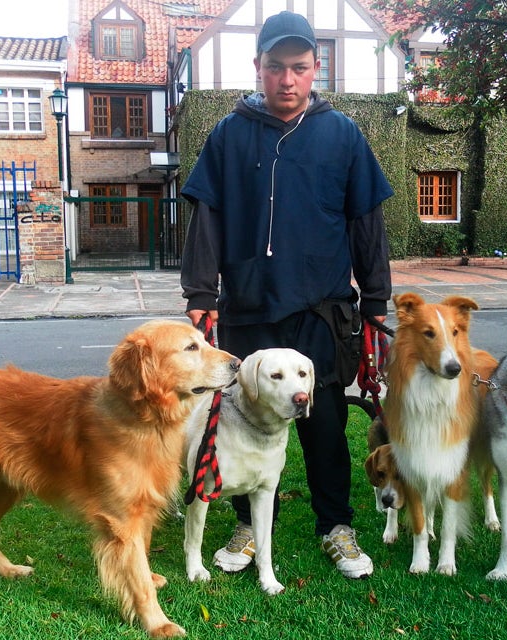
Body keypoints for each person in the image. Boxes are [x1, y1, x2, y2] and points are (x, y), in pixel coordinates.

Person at [179, 10, 393, 580]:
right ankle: (249, 524)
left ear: (315, 68)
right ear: (259, 68)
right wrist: (201, 290)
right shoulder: (230, 132)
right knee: (243, 424)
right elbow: (208, 215)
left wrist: (375, 299)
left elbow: (365, 219)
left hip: (321, 312)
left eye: (299, 67)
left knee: (323, 426)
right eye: (276, 68)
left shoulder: (342, 133)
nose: (287, 80)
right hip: (248, 307)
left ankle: (336, 526)